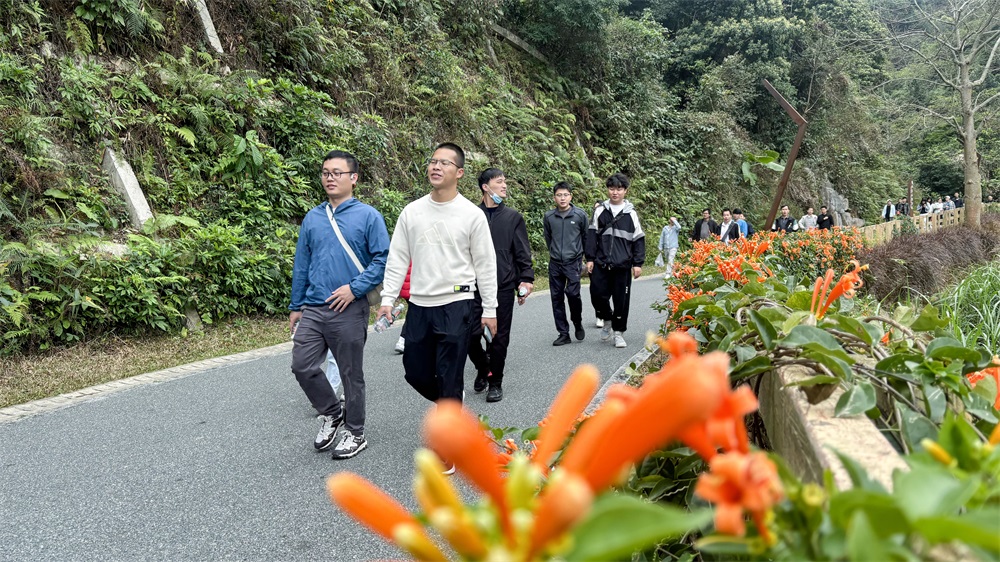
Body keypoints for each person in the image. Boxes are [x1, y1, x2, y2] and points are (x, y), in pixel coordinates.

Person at [377, 143, 498, 411]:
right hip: (419, 305)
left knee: (449, 374)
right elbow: (398, 257)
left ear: (460, 173)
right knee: (415, 372)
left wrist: (490, 308)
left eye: (445, 163)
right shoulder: (412, 211)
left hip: (457, 304)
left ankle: (452, 437)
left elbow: (486, 265)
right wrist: (388, 298)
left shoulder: (472, 215)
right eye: (433, 161)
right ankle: (451, 401)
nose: (436, 166)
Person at [289, 149, 389, 460]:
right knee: (301, 365)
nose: (330, 178)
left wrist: (354, 289)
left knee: (350, 373)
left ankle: (355, 431)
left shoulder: (369, 216)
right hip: (315, 307)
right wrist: (296, 305)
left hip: (349, 308)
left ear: (354, 178)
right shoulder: (313, 217)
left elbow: (383, 259)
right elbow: (302, 263)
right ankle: (332, 413)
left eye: (337, 173)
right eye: (325, 173)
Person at [466, 168, 534, 402]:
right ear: (485, 187)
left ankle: (495, 381)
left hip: (502, 285)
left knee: (498, 337)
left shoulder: (513, 217)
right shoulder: (471, 215)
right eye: (499, 182)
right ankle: (483, 366)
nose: (504, 186)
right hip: (472, 287)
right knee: (469, 336)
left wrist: (526, 278)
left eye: (505, 182)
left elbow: (521, 251)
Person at [586, 173, 645, 349]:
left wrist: (637, 263)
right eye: (612, 188)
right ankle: (607, 319)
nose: (615, 192)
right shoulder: (600, 211)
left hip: (623, 265)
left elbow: (638, 239)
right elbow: (591, 236)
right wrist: (590, 258)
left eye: (619, 189)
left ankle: (618, 333)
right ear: (607, 190)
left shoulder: (631, 215)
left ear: (625, 191)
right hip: (601, 263)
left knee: (621, 300)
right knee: (597, 295)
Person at [544, 181, 588, 346]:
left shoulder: (580, 215)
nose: (562, 198)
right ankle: (563, 333)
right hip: (555, 263)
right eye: (559, 195)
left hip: (573, 262)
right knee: (556, 298)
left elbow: (585, 238)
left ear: (571, 196)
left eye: (565, 195)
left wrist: (585, 258)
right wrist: (554, 252)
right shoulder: (549, 216)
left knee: (573, 294)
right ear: (554, 197)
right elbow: (548, 238)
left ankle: (577, 321)